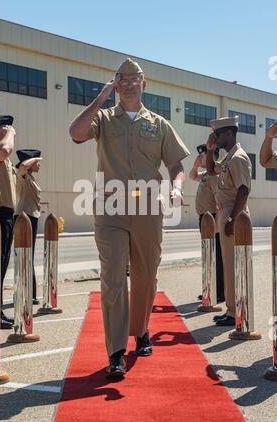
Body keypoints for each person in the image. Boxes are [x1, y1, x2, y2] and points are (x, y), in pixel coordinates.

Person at [69, 58, 190, 379]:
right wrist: (101, 97)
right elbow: (76, 132)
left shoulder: (160, 124)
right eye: (122, 80)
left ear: (144, 84)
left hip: (149, 208)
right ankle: (116, 351)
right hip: (111, 208)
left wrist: (176, 189)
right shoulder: (105, 119)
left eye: (135, 80)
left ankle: (142, 328)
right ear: (116, 84)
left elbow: (177, 166)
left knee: (146, 275)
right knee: (112, 276)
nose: (129, 84)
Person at [206, 116, 251, 326]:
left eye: (218, 135)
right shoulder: (228, 158)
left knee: (234, 265)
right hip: (226, 213)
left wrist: (233, 219)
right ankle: (232, 310)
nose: (216, 138)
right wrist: (209, 150)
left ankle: (236, 312)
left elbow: (244, 190)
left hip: (234, 214)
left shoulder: (238, 157)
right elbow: (210, 170)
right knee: (228, 264)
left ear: (229, 134)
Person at [189, 144, 224, 303]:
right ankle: (209, 289)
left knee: (216, 258)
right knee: (208, 256)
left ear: (212, 157)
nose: (200, 158)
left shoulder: (214, 176)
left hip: (212, 220)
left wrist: (217, 226)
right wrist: (195, 165)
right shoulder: (205, 174)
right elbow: (192, 176)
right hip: (204, 220)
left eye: (202, 156)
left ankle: (219, 292)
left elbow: (219, 202)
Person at [0, 115, 17, 329]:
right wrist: (8, 134)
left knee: (2, 265)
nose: (9, 130)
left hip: (7, 214)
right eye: (5, 126)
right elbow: (4, 150)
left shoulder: (4, 158)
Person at [15, 149, 42, 304]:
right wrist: (32, 160)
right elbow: (23, 167)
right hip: (24, 218)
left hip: (32, 218)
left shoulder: (32, 178)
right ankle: (26, 293)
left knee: (28, 256)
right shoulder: (23, 175)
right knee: (24, 256)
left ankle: (29, 293)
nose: (39, 164)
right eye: (37, 161)